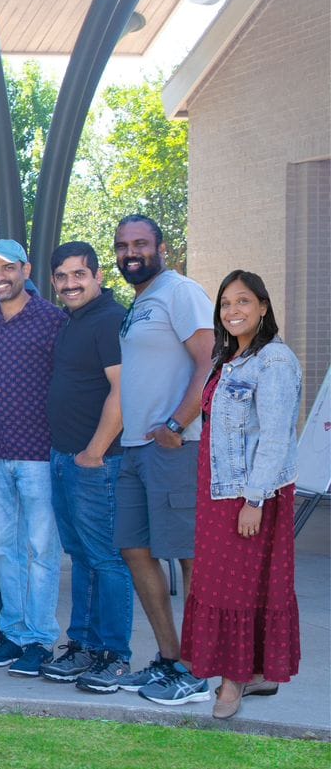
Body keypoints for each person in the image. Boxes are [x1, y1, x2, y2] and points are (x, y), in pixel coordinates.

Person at [83, 214, 217, 702]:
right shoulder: (139, 303)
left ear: (162, 246)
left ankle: (199, 669)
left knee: (187, 555)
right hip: (137, 449)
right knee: (134, 550)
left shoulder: (181, 292)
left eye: (140, 243)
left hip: (175, 448)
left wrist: (179, 424)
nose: (130, 253)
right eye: (122, 246)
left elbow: (212, 357)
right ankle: (170, 658)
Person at [181, 270, 302, 719]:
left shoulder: (274, 361)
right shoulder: (229, 357)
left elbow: (275, 437)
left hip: (248, 495)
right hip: (218, 492)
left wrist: (254, 500)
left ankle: (232, 684)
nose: (233, 311)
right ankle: (252, 673)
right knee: (221, 584)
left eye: (243, 302)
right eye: (226, 303)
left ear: (264, 307)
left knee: (239, 590)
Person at [39, 242, 135, 686]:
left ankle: (114, 654)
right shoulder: (74, 322)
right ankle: (83, 645)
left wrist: (95, 451)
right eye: (62, 276)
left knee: (105, 559)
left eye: (79, 274)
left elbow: (122, 390)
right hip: (65, 457)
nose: (70, 284)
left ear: (97, 276)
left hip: (96, 462)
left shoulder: (109, 320)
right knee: (80, 557)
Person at [0, 240, 65, 676]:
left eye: (6, 268)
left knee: (41, 549)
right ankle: (12, 632)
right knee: (5, 548)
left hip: (39, 455)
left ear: (26, 269)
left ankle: (41, 639)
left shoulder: (52, 320)